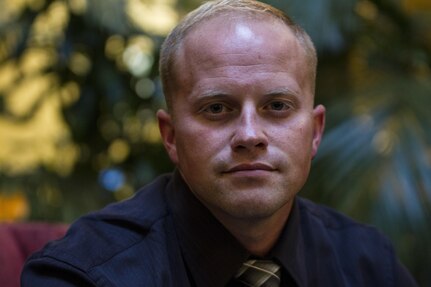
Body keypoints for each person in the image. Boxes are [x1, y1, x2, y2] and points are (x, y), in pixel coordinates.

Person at [21, 0, 418, 286]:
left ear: (314, 132)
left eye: (277, 106)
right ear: (171, 137)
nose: (249, 135)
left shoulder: (368, 263)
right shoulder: (84, 274)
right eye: (216, 109)